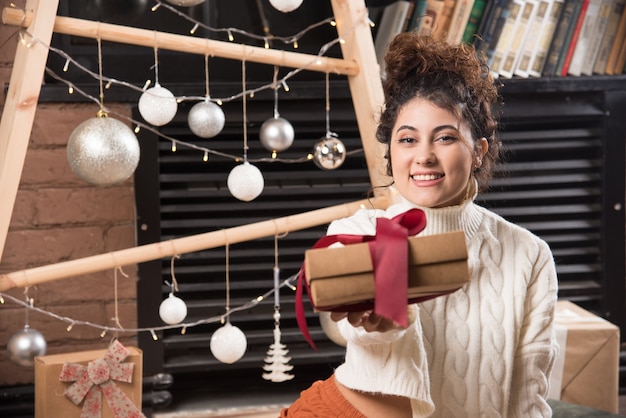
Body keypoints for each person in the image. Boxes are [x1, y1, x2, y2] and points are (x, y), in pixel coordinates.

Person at [280, 32, 558, 417]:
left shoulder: (528, 253)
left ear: (478, 151)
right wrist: (376, 321)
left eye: (444, 137)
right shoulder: (359, 229)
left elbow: (530, 390)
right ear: (391, 153)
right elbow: (351, 328)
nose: (424, 156)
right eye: (407, 139)